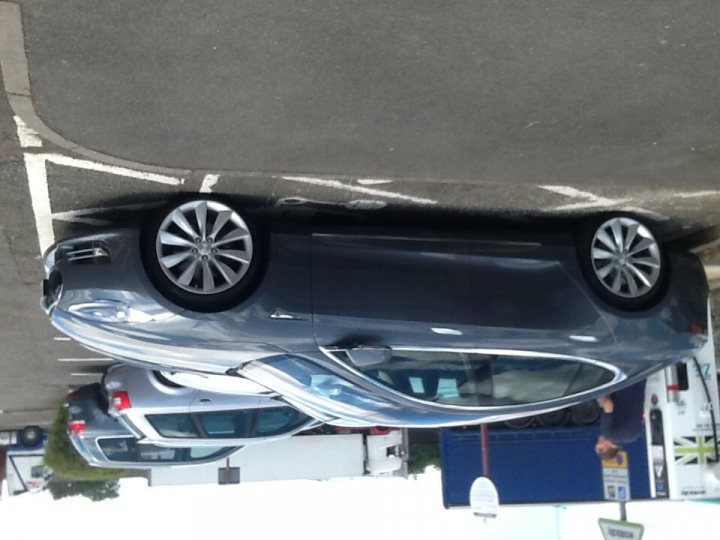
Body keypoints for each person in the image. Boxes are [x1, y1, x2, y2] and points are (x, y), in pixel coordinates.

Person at [595, 379, 647, 460]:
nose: (598, 440)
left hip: (639, 380)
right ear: (604, 449)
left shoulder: (634, 436)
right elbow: (608, 404)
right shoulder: (608, 433)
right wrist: (604, 394)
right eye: (598, 444)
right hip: (622, 382)